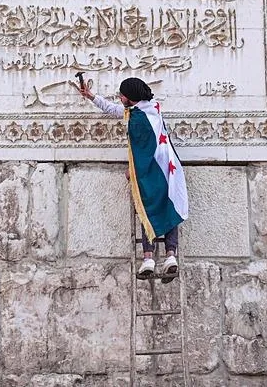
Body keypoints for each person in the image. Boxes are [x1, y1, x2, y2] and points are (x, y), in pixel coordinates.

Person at [78, 77, 189, 281]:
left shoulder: (137, 120)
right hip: (169, 168)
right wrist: (92, 96)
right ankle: (171, 255)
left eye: (122, 95)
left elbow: (142, 151)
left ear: (130, 97)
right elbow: (115, 110)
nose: (120, 98)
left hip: (151, 171)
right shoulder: (152, 108)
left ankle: (148, 258)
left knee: (146, 208)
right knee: (168, 206)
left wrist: (132, 170)